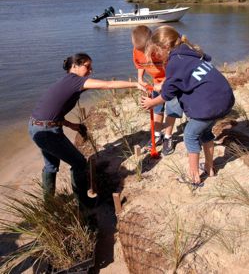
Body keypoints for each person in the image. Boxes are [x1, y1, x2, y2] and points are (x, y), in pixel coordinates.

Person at [29, 53, 143, 209]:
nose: (90, 71)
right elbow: (107, 85)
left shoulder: (66, 81)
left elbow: (52, 110)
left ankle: (48, 204)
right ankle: (84, 202)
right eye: (87, 67)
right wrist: (136, 85)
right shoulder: (75, 80)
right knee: (79, 164)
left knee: (51, 166)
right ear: (74, 66)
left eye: (91, 68)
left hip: (37, 126)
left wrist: (71, 125)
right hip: (47, 132)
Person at [141, 26, 234, 185]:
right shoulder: (188, 51)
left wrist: (151, 102)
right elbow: (179, 78)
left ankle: (194, 177)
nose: (156, 56)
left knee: (190, 135)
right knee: (205, 133)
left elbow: (167, 95)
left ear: (165, 47)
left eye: (156, 52)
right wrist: (162, 84)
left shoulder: (174, 62)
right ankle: (210, 169)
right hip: (224, 97)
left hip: (210, 103)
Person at [131, 25, 183, 155]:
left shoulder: (162, 50)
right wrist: (140, 78)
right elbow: (140, 64)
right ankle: (157, 135)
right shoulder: (137, 50)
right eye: (140, 50)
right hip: (155, 84)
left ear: (152, 42)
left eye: (145, 49)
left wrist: (164, 83)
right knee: (157, 110)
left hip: (172, 83)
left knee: (171, 110)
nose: (143, 53)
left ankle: (168, 137)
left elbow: (175, 69)